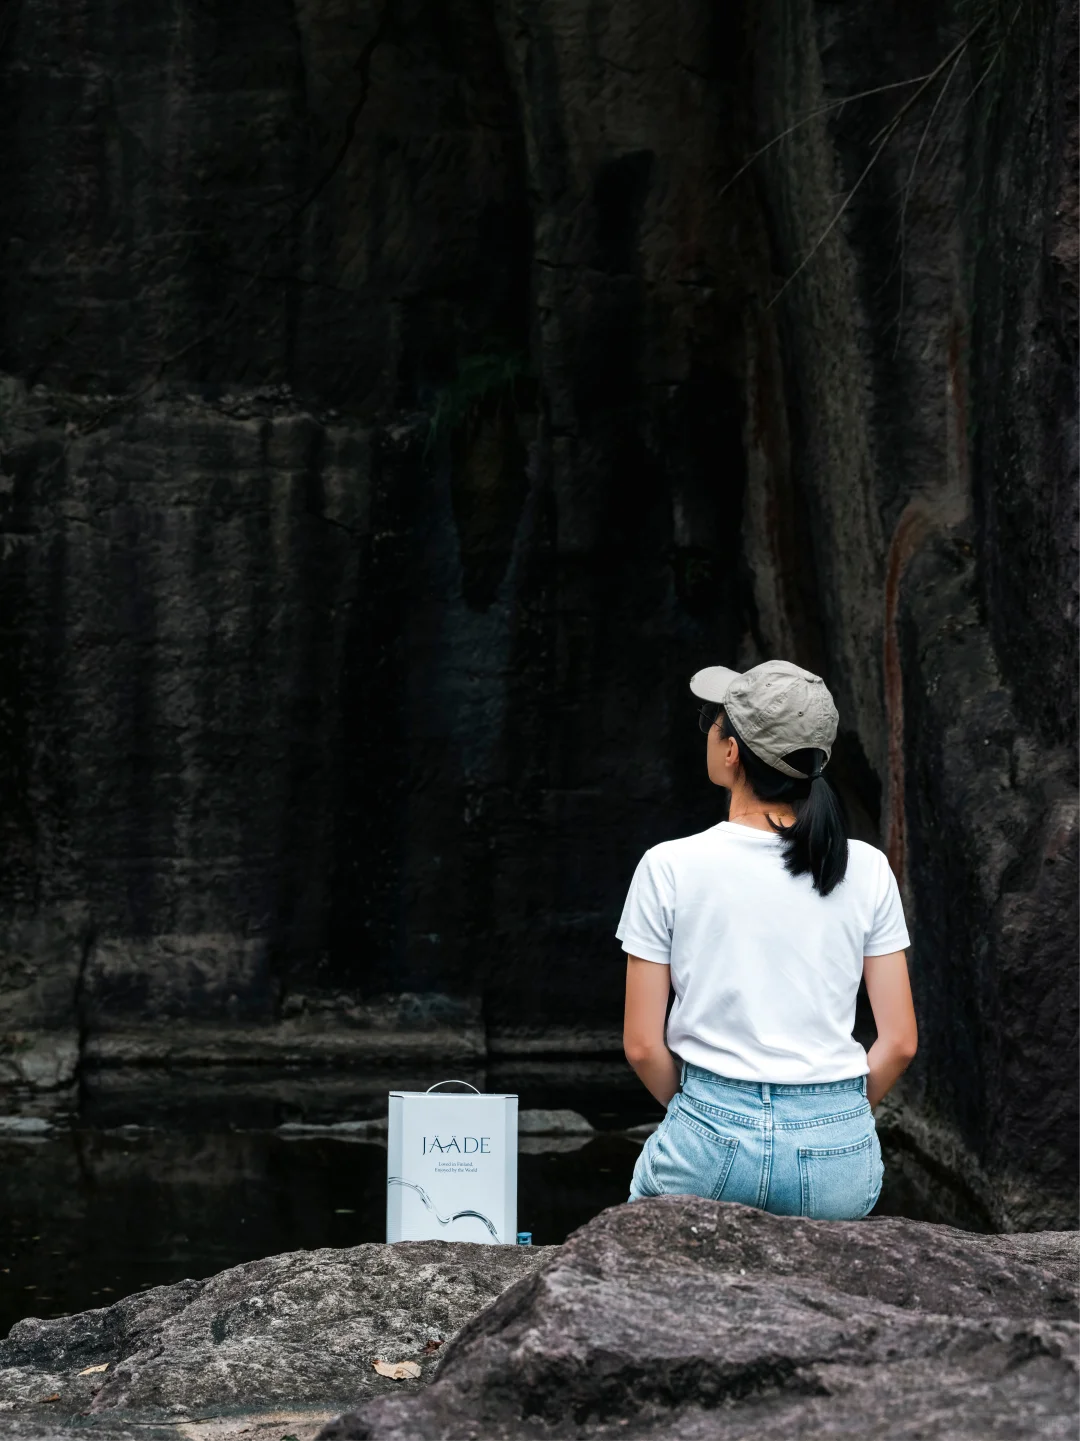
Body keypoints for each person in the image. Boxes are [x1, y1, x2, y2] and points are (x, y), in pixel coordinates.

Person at [617, 659, 917, 1220]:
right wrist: (835, 1115)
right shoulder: (869, 868)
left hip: (708, 1143)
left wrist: (700, 1110)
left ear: (731, 752)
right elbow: (899, 1043)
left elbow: (641, 1045)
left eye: (715, 722)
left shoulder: (668, 866)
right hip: (836, 1154)